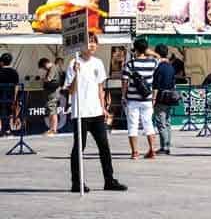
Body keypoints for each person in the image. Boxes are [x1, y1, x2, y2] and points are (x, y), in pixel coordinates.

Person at [65, 34, 126, 193]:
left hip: (96, 112)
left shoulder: (98, 63)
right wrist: (76, 75)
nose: (92, 45)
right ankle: (76, 182)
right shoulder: (74, 63)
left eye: (94, 43)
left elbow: (100, 88)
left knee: (104, 146)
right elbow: (70, 90)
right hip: (80, 112)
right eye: (89, 42)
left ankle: (109, 179)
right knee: (79, 147)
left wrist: (103, 107)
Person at [121, 38, 159, 160]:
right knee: (149, 124)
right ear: (146, 49)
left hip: (132, 99)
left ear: (135, 49)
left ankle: (135, 152)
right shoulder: (153, 62)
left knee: (132, 125)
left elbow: (125, 82)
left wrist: (123, 95)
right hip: (147, 99)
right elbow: (159, 57)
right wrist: (149, 51)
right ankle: (152, 150)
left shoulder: (130, 64)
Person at [151, 44, 176, 155]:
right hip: (170, 96)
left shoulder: (159, 67)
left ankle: (164, 147)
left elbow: (156, 85)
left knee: (161, 122)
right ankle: (167, 144)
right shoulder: (171, 67)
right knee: (167, 122)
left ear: (157, 54)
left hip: (161, 97)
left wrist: (153, 99)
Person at [38, 57, 62, 136]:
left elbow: (48, 79)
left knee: (52, 111)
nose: (44, 69)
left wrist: (42, 79)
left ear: (45, 63)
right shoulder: (54, 68)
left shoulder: (52, 68)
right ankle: (52, 129)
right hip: (52, 93)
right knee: (52, 110)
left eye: (44, 67)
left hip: (52, 93)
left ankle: (53, 130)